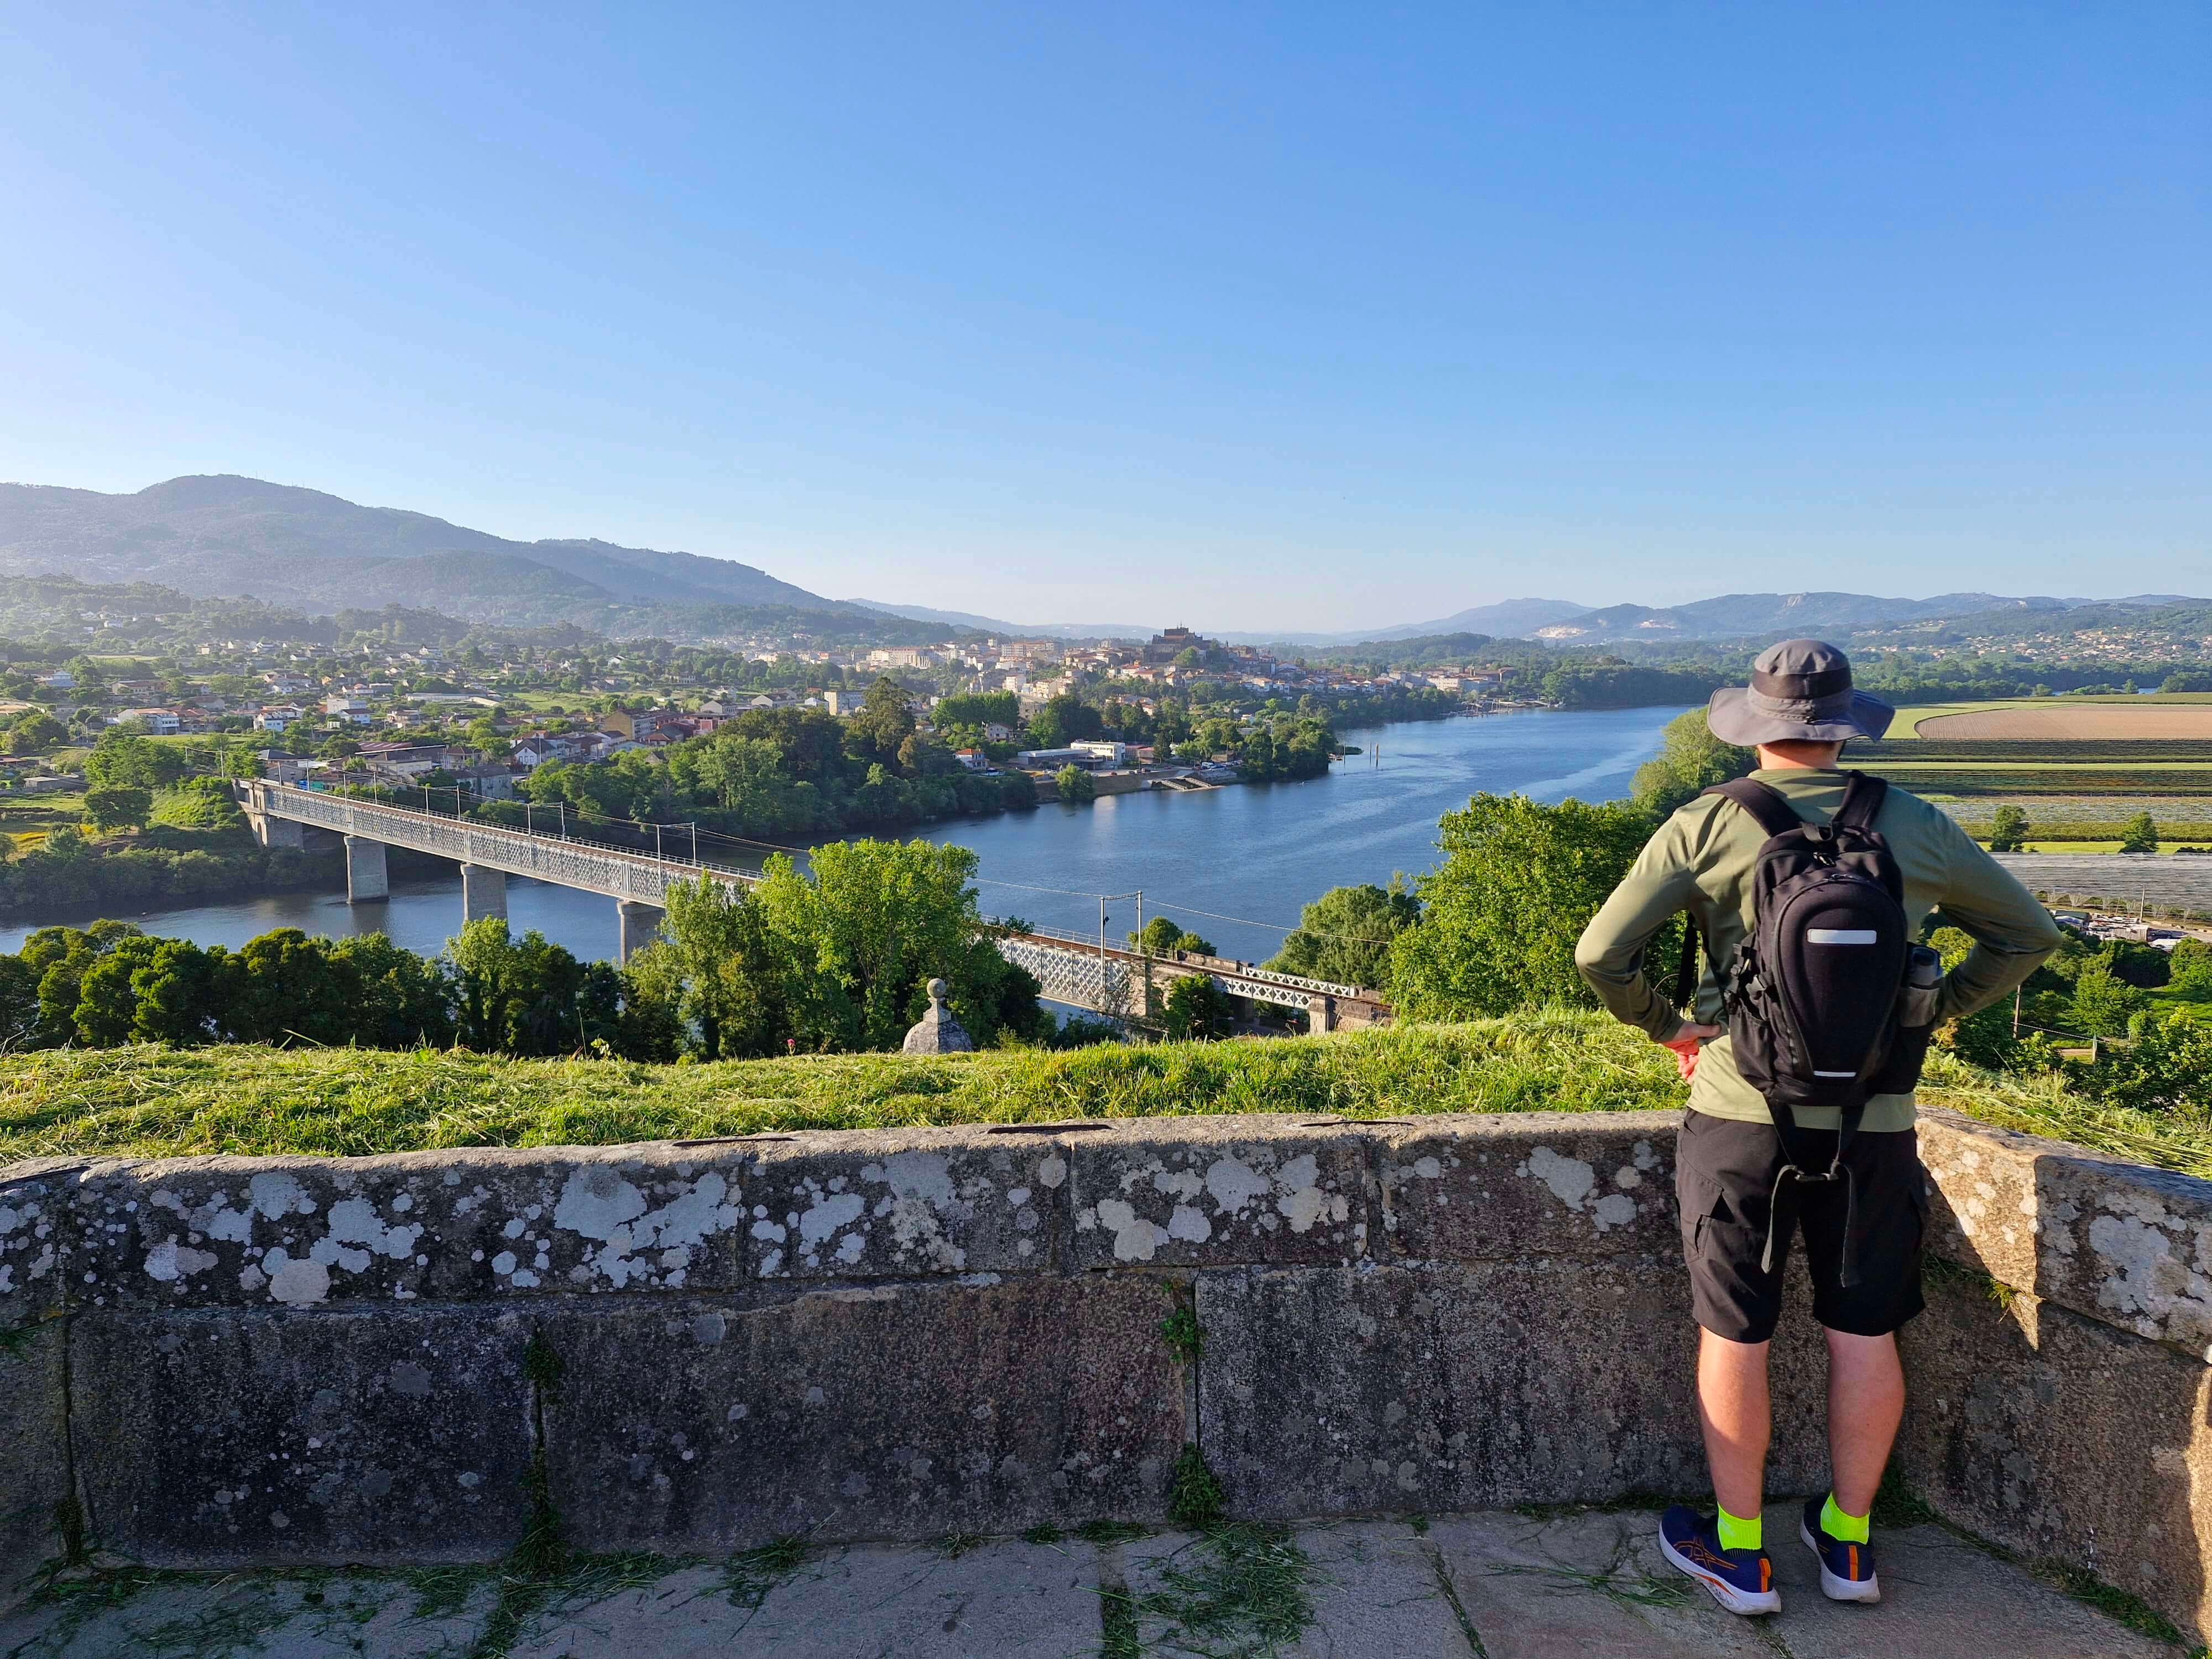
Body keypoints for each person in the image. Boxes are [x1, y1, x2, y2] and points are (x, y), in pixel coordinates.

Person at [1574, 639, 2059, 1616]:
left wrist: (1672, 1027)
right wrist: (1930, 1012)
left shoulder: (1707, 822)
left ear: (1754, 724)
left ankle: (1742, 1554)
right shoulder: (1914, 825)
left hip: (1740, 1114)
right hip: (1874, 1118)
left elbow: (1601, 953)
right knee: (1863, 1329)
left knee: (1735, 1332)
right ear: (1846, 725)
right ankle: (1847, 1547)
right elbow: (2029, 934)